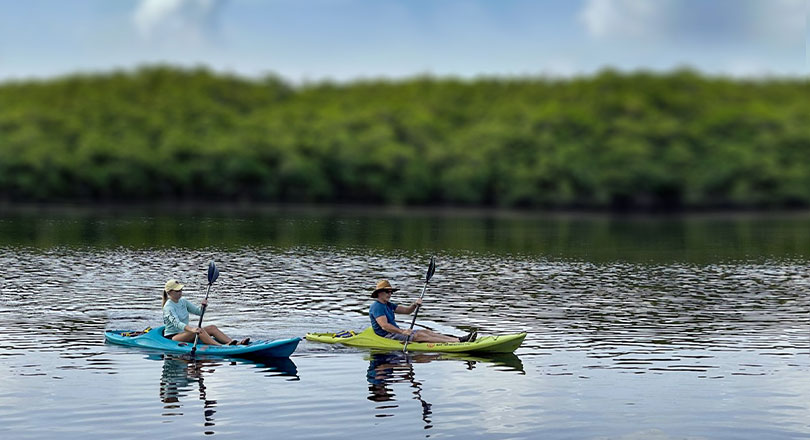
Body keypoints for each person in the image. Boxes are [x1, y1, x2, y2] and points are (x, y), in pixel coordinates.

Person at [369, 279, 476, 343]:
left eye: (391, 292)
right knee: (418, 336)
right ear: (379, 293)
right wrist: (402, 331)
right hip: (387, 336)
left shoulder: (388, 305)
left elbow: (407, 311)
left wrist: (415, 305)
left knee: (425, 331)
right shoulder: (377, 307)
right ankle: (458, 342)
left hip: (394, 332)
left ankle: (458, 339)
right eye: (387, 292)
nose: (390, 294)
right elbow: (384, 326)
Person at [161, 279, 249, 346]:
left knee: (212, 328)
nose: (180, 293)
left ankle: (235, 343)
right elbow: (176, 323)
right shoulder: (168, 307)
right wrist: (192, 329)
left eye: (181, 290)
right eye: (177, 291)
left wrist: (203, 306)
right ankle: (221, 346)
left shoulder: (183, 301)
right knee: (200, 330)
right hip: (173, 337)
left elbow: (199, 312)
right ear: (169, 292)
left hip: (184, 333)